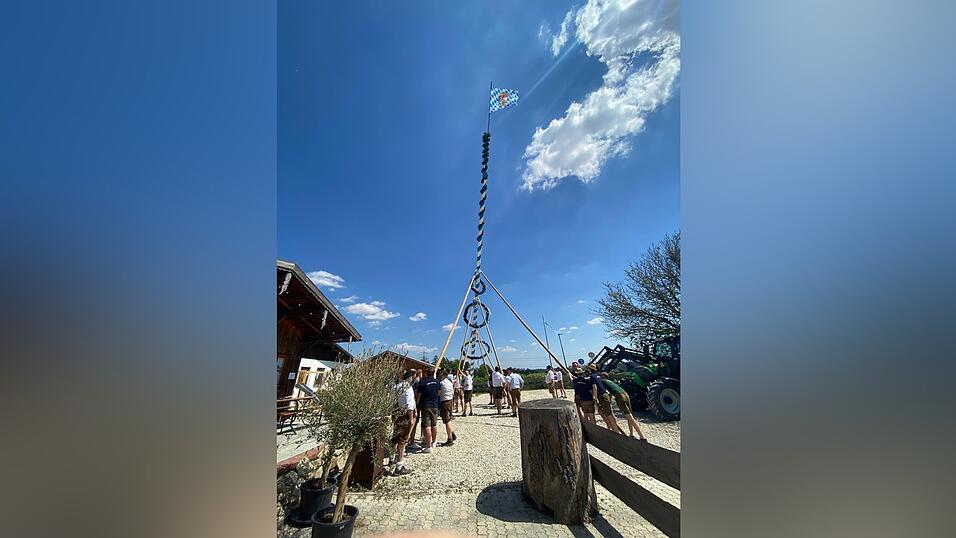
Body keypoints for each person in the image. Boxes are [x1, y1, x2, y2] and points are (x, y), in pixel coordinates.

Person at [599, 372, 647, 440]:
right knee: (630, 415)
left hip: (619, 396)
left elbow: (607, 394)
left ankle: (642, 436)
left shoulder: (602, 381)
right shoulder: (611, 382)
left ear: (602, 376)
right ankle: (631, 434)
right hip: (625, 394)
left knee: (629, 417)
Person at [389, 370, 416, 475]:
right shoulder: (408, 388)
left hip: (396, 413)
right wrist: (411, 419)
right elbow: (409, 406)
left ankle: (392, 459)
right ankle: (399, 466)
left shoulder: (395, 387)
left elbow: (392, 401)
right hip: (405, 415)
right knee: (403, 440)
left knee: (395, 437)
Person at [587, 364, 623, 434]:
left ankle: (616, 432)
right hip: (604, 395)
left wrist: (594, 398)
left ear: (590, 370)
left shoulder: (592, 377)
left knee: (609, 414)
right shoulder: (598, 376)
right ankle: (610, 427)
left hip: (601, 396)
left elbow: (595, 387)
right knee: (601, 412)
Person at [415, 369, 440, 453]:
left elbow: (418, 395)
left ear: (426, 373)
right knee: (434, 424)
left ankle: (428, 446)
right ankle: (434, 441)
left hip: (425, 405)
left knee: (426, 426)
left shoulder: (422, 383)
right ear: (434, 373)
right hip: (435, 405)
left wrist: (417, 405)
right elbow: (439, 393)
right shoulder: (437, 382)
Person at [437, 369, 457, 446]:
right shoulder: (449, 382)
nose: (439, 376)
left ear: (444, 375)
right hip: (449, 401)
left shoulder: (441, 383)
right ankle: (452, 433)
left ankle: (450, 439)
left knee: (446, 421)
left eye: (441, 375)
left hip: (444, 402)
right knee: (448, 419)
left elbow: (438, 393)